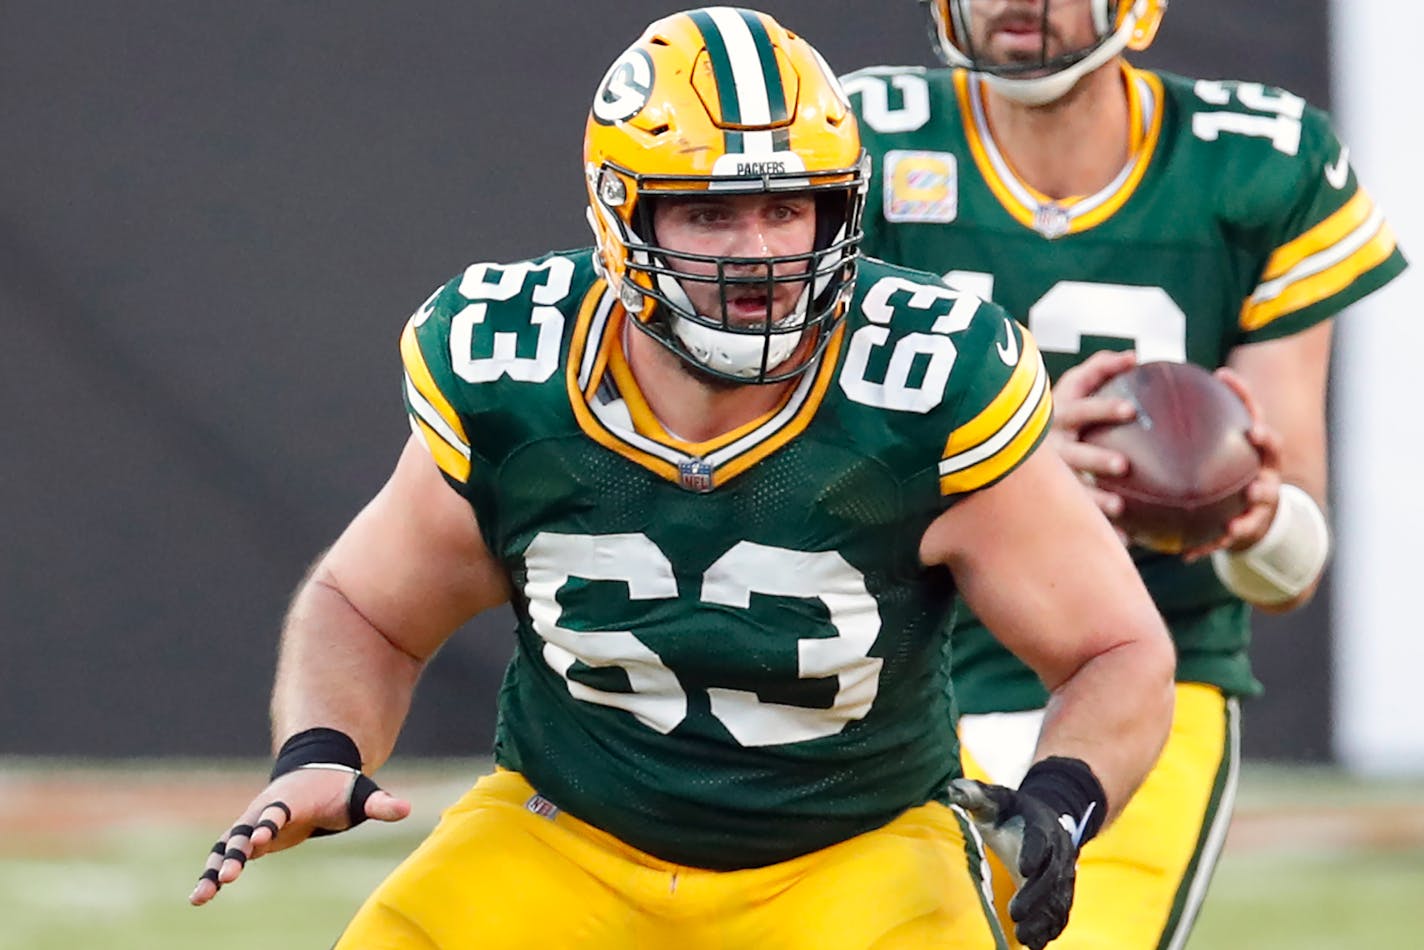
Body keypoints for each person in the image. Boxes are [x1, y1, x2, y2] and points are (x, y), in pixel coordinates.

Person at [188, 8, 1175, 948]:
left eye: (787, 207)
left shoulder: (923, 380)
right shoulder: (513, 368)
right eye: (709, 213)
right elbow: (366, 606)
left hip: (854, 854)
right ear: (619, 213)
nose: (757, 255)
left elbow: (1112, 647)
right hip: (566, 835)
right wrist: (321, 748)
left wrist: (1058, 799)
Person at [842, 1, 1408, 947]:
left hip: (1144, 667)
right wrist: (1006, 464)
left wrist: (1248, 510)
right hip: (896, 661)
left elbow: (1291, 565)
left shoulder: (1258, 162)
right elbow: (794, 470)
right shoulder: (862, 142)